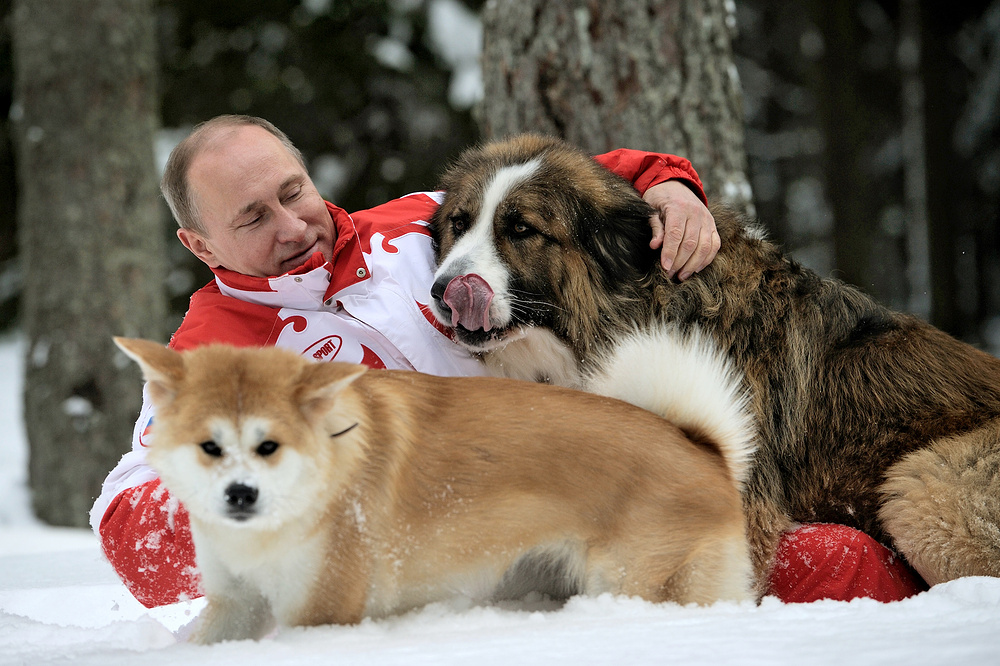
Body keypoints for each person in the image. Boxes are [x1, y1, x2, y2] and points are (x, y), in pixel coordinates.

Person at [90, 115, 924, 609]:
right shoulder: (212, 351)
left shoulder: (416, 225)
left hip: (608, 483)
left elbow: (577, 181)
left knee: (847, 550)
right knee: (813, 570)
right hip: (481, 560)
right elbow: (134, 525)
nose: (295, 224)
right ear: (198, 244)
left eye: (294, 191)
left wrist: (670, 185)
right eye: (252, 218)